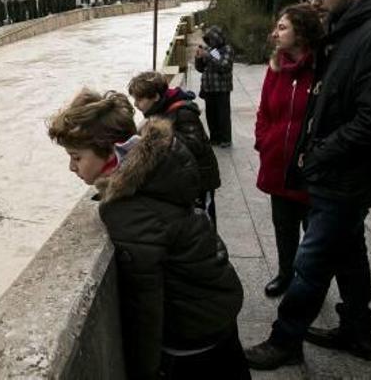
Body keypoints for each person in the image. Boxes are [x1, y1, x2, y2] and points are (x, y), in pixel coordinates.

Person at [245, 0, 371, 369]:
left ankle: (284, 340)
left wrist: (319, 153)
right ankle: (356, 330)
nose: (314, 1)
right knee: (349, 252)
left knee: (311, 260)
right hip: (339, 171)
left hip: (348, 174)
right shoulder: (346, 32)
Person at [48, 89, 248, 379]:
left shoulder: (127, 212)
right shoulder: (160, 164)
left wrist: (144, 370)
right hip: (216, 309)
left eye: (76, 157)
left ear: (111, 151)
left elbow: (144, 306)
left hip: (192, 336)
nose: (71, 167)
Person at [254, 3, 322, 298]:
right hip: (278, 165)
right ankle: (285, 273)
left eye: (282, 28)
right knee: (283, 227)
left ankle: (309, 282)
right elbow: (264, 111)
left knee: (316, 233)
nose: (274, 33)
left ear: (302, 32)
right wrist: (264, 141)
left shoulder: (323, 68)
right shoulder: (276, 68)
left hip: (311, 169)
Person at [128, 71, 222, 229]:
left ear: (156, 97)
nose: (136, 104)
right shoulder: (161, 111)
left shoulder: (182, 112)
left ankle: (214, 250)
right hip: (187, 179)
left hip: (202, 180)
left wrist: (162, 134)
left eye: (139, 99)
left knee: (206, 220)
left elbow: (195, 145)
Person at [194, 26, 234, 147]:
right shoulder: (210, 49)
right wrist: (198, 58)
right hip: (208, 88)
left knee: (223, 115)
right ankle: (214, 138)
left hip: (222, 88)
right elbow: (200, 69)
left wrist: (208, 55)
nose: (210, 42)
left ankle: (226, 139)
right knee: (211, 115)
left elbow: (224, 65)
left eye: (211, 40)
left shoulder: (227, 49)